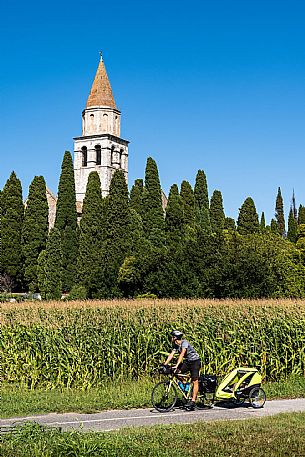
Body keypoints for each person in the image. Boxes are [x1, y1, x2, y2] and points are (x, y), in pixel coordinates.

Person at [164, 330, 201, 411]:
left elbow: (182, 354)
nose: (171, 338)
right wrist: (165, 364)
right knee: (175, 372)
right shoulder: (176, 346)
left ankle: (193, 401)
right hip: (187, 362)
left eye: (172, 337)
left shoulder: (184, 342)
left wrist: (177, 365)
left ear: (175, 338)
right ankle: (185, 383)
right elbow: (171, 354)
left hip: (195, 361)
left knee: (195, 380)